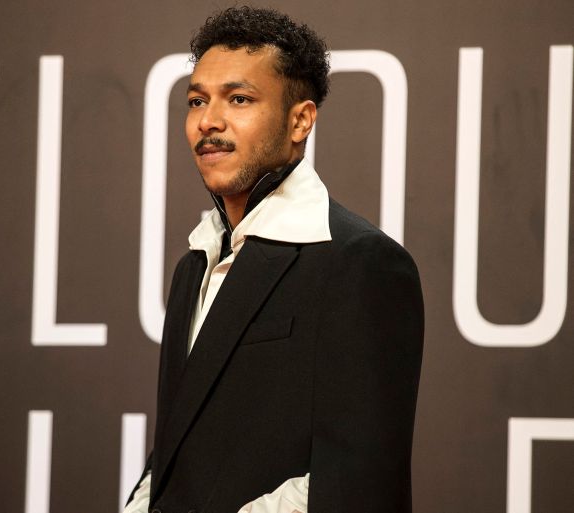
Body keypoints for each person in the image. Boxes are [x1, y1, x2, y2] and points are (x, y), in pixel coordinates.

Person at [125, 6, 424, 513]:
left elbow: (358, 483)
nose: (208, 121)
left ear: (301, 120)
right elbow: (175, 455)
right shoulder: (192, 266)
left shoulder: (362, 264)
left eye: (239, 99)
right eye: (197, 100)